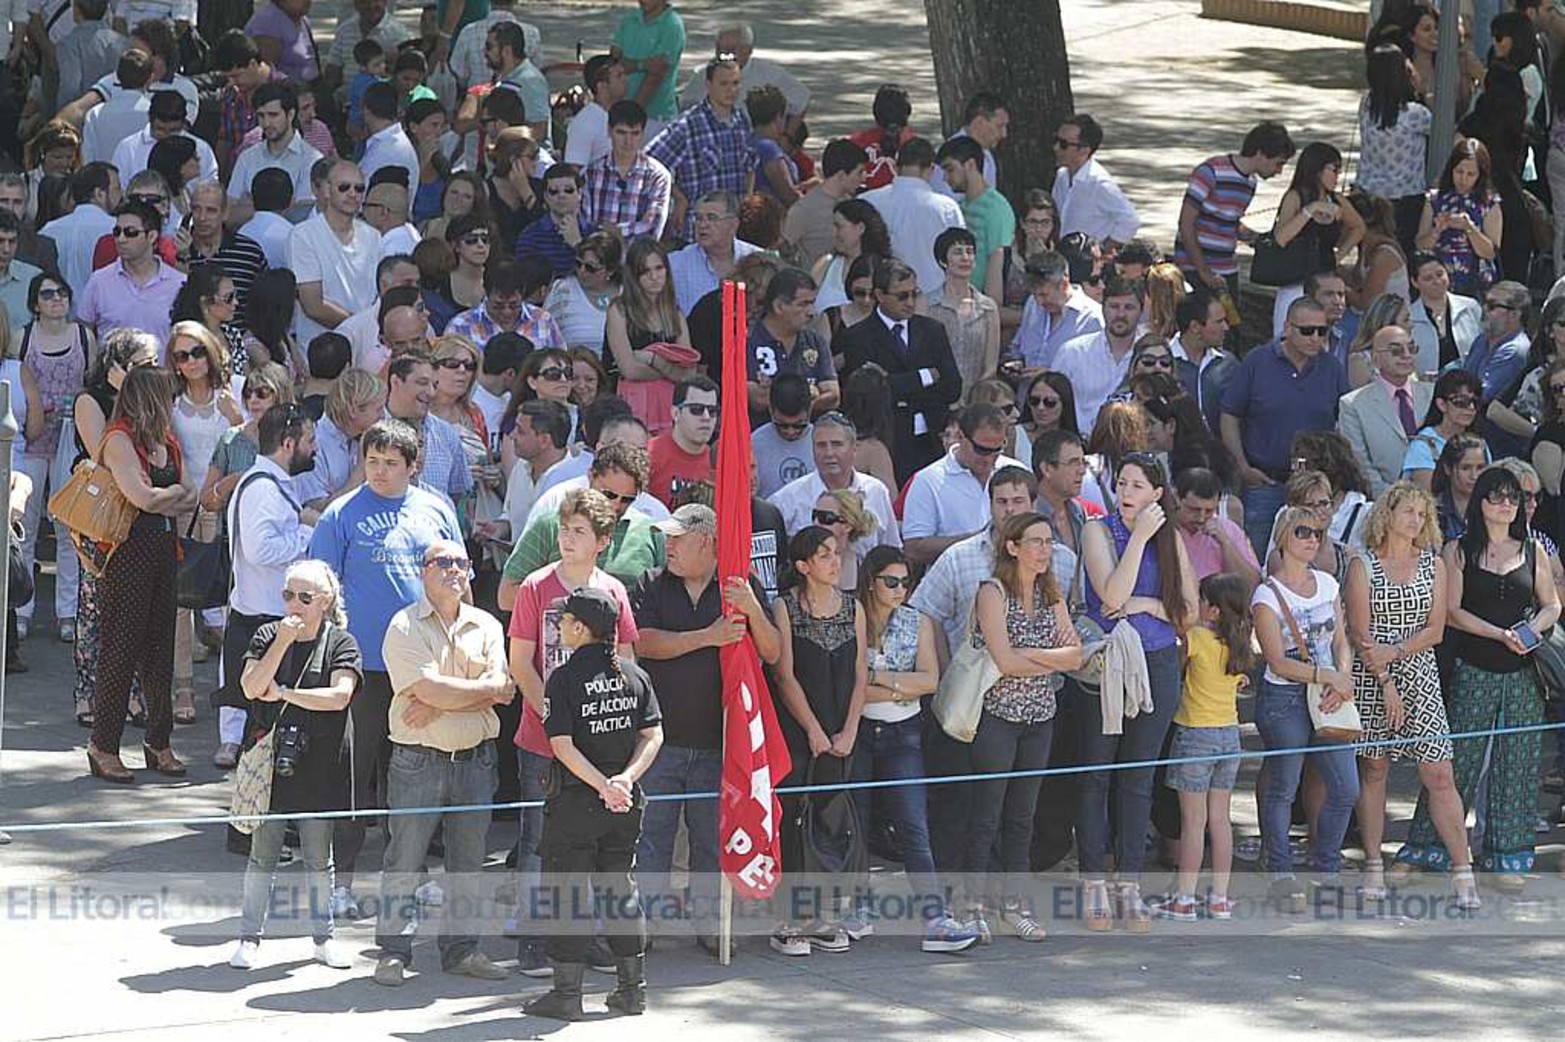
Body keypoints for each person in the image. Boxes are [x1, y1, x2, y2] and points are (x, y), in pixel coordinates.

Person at [308, 419, 464, 916]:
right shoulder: (339, 515)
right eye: (372, 461)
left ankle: (413, 880)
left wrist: (459, 651)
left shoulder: (435, 508)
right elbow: (320, 593)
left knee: (415, 777)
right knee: (352, 777)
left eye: (390, 463)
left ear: (412, 466)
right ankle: (341, 884)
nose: (378, 471)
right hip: (361, 665)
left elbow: (460, 584)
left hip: (421, 664)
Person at [1395, 466, 1560, 893]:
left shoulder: (1534, 549)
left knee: (1518, 766)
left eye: (1513, 498)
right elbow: (1451, 611)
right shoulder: (1459, 550)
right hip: (1474, 667)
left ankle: (1506, 856)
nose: (1506, 504)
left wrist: (1531, 631)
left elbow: (1552, 605)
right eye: (1496, 496)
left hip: (1523, 674)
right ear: (1481, 503)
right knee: (1456, 764)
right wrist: (1497, 634)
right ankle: (1424, 849)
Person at [630, 503, 780, 955]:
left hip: (720, 741)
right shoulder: (652, 582)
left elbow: (771, 653)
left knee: (711, 842)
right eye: (668, 537)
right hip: (659, 740)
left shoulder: (739, 587)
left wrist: (752, 608)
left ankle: (714, 923)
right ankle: (645, 926)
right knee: (651, 838)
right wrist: (706, 637)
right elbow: (643, 643)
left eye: (678, 538)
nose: (668, 545)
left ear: (708, 543)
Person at [506, 486, 643, 972]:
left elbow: (625, 661)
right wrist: (553, 712)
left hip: (599, 741)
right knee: (539, 839)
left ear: (601, 541)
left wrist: (605, 721)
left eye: (579, 532)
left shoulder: (613, 592)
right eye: (564, 530)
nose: (567, 538)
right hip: (543, 738)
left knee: (595, 840)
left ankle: (587, 939)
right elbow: (521, 661)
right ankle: (534, 939)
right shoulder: (535, 588)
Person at [371, 538, 513, 987]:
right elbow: (440, 690)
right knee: (405, 860)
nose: (453, 569)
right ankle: (394, 952)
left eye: (461, 563)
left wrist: (439, 700)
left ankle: (462, 949)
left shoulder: (487, 624)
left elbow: (505, 689)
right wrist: (474, 693)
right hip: (417, 761)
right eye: (442, 562)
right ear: (423, 570)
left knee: (469, 861)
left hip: (475, 762)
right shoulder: (403, 626)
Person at [524, 586, 663, 1019]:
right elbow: (653, 734)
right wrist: (624, 780)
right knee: (620, 891)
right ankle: (631, 990)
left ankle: (567, 995)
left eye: (564, 620)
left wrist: (604, 784)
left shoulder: (563, 678)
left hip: (576, 804)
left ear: (581, 628)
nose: (560, 626)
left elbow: (562, 746)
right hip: (624, 805)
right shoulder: (635, 675)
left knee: (567, 895)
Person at [1344, 484, 1479, 908]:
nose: (1416, 521)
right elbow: (1361, 635)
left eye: (1422, 514)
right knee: (1375, 771)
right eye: (1408, 512)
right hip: (1373, 677)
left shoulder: (1433, 564)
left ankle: (1463, 872)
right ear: (1388, 513)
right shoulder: (1361, 565)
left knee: (1439, 773)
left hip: (1419, 673)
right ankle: (1373, 866)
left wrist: (1400, 653)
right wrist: (1386, 682)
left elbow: (1436, 630)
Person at [1077, 453, 1196, 930]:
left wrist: (1146, 603)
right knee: (1096, 774)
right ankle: (1093, 883)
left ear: (1157, 495)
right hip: (1108, 661)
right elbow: (1110, 596)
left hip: (1159, 660)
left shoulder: (1173, 539)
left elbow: (1187, 613)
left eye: (1138, 485)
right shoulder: (1096, 530)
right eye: (1122, 483)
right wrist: (1139, 538)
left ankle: (1129, 882)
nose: (1127, 492)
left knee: (1138, 776)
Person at [228, 560, 362, 972]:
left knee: (319, 858)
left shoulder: (341, 642)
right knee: (262, 856)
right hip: (271, 761)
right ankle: (249, 937)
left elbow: (340, 696)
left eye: (305, 597)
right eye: (288, 595)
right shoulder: (269, 634)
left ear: (325, 601)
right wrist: (282, 644)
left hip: (320, 762)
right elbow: (250, 687)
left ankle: (324, 938)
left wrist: (284, 693)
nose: (294, 604)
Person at [960, 511, 1081, 942]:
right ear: (1013, 547)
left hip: (1040, 716)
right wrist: (1048, 658)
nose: (1045, 550)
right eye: (1037, 542)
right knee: (986, 814)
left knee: (1022, 816)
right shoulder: (993, 592)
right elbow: (1003, 660)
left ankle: (1014, 902)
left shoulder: (1052, 592)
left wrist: (1033, 655)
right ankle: (972, 905)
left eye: (1049, 542)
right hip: (998, 715)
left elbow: (1075, 654)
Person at [86, 364, 197, 784]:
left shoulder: (164, 440)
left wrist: (164, 498)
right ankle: (103, 744)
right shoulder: (119, 439)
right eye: (168, 395)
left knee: (160, 650)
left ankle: (158, 741)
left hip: (163, 551)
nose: (173, 402)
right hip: (127, 555)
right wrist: (168, 497)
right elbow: (143, 497)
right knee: (121, 649)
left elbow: (183, 495)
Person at [1250, 506, 1361, 910]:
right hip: (1285, 697)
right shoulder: (1267, 594)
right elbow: (1276, 661)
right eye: (1303, 532)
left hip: (1328, 691)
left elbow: (1341, 641)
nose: (1313, 539)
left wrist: (1341, 678)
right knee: (1283, 786)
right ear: (1283, 537)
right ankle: (1281, 873)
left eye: (1318, 532)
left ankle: (1326, 870)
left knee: (1347, 787)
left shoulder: (1329, 583)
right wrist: (1328, 676)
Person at [768, 526, 866, 956]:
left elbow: (861, 672)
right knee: (795, 817)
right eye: (823, 554)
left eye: (836, 552)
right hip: (799, 731)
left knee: (832, 819)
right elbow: (784, 675)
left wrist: (849, 730)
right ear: (804, 565)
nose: (834, 560)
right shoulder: (785, 606)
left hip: (842, 729)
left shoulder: (852, 607)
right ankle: (792, 916)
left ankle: (827, 913)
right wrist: (811, 729)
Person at [1152, 572, 1255, 921]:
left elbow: (1177, 670)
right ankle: (1220, 899)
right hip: (1229, 736)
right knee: (1220, 821)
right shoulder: (1239, 642)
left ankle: (1184, 898)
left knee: (1192, 823)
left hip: (1195, 734)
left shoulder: (1195, 638)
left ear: (1211, 610)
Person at [1221, 296, 1349, 556]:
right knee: (1258, 557)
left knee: (1313, 559)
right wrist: (1243, 467)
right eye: (1307, 331)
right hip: (1265, 481)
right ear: (1287, 328)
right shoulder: (1257, 362)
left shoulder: (1332, 368)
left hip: (1316, 487)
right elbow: (1229, 413)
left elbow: (1345, 422)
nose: (1315, 338)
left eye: (1322, 331)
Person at [167, 321, 242, 721]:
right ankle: (183, 688)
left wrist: (219, 494)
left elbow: (245, 454)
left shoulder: (229, 400)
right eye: (182, 355)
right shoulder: (171, 401)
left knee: (229, 599)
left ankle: (235, 691)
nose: (191, 361)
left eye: (197, 352)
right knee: (182, 602)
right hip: (182, 506)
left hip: (222, 507)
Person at [15, 271, 93, 645]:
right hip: (30, 440)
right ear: (35, 303)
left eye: (62, 293)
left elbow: (90, 381)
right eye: (48, 294)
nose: (56, 300)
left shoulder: (83, 336)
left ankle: (68, 612)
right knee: (23, 526)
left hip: (70, 440)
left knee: (67, 528)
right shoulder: (23, 337)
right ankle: (19, 611)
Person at [836, 259, 962, 484]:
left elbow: (952, 387)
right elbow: (870, 393)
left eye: (915, 293)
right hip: (889, 441)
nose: (911, 302)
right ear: (880, 295)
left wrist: (894, 384)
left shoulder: (932, 331)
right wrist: (924, 377)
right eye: (902, 296)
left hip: (933, 439)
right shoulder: (857, 337)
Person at [1174, 120, 1295, 299]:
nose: (1279, 171)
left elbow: (1228, 222)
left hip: (1226, 269)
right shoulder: (1210, 171)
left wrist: (1261, 240)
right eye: (1278, 164)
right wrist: (1203, 270)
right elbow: (1186, 222)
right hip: (1193, 268)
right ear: (1261, 154)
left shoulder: (1250, 183)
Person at [646, 57, 756, 240]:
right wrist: (679, 198)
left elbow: (751, 166)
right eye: (724, 84)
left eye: (736, 83)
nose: (731, 90)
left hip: (732, 234)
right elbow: (649, 163)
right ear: (708, 85)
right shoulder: (688, 125)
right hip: (697, 234)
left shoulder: (742, 121)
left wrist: (747, 202)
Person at [901, 402, 1023, 565]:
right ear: (960, 437)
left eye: (997, 449)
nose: (989, 458)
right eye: (981, 450)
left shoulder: (1017, 471)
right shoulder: (928, 481)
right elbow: (913, 549)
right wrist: (981, 540)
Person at [1267, 142, 1365, 335]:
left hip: (1324, 279)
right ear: (1317, 169)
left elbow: (1358, 227)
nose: (1338, 176)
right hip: (1296, 280)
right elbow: (1280, 238)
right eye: (1334, 169)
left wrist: (1339, 255)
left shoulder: (1337, 200)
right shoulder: (1295, 197)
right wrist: (1310, 210)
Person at [772, 411, 901, 548]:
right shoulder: (786, 500)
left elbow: (892, 549)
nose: (829, 453)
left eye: (837, 444)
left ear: (854, 448)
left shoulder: (876, 492)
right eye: (821, 445)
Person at [290, 159, 383, 348]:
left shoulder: (373, 236)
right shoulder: (303, 235)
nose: (352, 194)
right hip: (320, 350)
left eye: (359, 188)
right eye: (343, 187)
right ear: (326, 190)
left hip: (366, 348)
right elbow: (313, 306)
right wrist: (360, 329)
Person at [1337, 324, 1433, 496]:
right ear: (1376, 359)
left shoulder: (1433, 394)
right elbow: (1360, 464)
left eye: (1411, 349)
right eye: (1396, 350)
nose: (1406, 355)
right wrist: (1393, 499)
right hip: (1381, 503)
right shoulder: (1353, 404)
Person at [860, 137, 965, 294]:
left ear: (896, 166)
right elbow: (960, 255)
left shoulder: (867, 200)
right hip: (934, 296)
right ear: (930, 169)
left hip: (883, 295)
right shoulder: (946, 208)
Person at [76, 199, 184, 347]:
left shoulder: (178, 284)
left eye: (130, 233)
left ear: (152, 236)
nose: (121, 239)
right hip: (112, 369)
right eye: (117, 232)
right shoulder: (99, 281)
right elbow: (83, 332)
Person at [1358, 43, 1433, 253]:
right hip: (1405, 197)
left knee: (1372, 252)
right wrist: (1421, 90)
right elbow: (1442, 130)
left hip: (1368, 192)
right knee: (1401, 253)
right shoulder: (1415, 114)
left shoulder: (1366, 105)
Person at [1051, 276, 1144, 434]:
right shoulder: (1072, 353)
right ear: (1102, 308)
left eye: (1129, 307)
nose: (1121, 314)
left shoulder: (1151, 357)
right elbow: (1051, 402)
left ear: (1141, 311)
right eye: (1114, 306)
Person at [1415, 138, 1502, 296]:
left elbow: (1491, 252)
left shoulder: (1489, 204)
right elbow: (1421, 244)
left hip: (1475, 281)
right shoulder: (1435, 199)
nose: (1463, 179)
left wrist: (1469, 228)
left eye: (1470, 174)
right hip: (1439, 279)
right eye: (1459, 172)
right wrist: (1437, 231)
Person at [745, 266, 836, 417]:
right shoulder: (746, 341)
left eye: (812, 303)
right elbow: (757, 400)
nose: (811, 312)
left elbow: (833, 396)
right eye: (803, 304)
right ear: (779, 306)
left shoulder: (816, 342)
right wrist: (810, 393)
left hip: (809, 436)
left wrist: (780, 398)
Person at [581, 100, 673, 241]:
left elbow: (652, 226)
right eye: (621, 133)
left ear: (643, 134)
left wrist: (614, 230)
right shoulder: (591, 173)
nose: (628, 141)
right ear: (609, 131)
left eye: (635, 134)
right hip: (599, 257)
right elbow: (585, 223)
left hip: (637, 259)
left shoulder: (658, 176)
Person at [927, 227, 1000, 394]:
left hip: (976, 400)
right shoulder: (927, 304)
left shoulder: (988, 307)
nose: (965, 258)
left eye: (970, 252)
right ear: (942, 261)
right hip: (937, 398)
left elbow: (990, 366)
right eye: (958, 252)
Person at [1466, 279, 1535, 456]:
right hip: (1477, 436)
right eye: (1485, 302)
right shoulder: (1481, 340)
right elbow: (1461, 377)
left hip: (1502, 444)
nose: (1484, 309)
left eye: (1492, 305)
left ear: (1515, 315)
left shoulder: (1516, 350)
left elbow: (1482, 396)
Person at [1051, 112, 1140, 249]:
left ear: (1084, 149)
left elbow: (1130, 221)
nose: (1056, 148)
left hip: (1089, 265)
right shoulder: (1062, 176)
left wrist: (1105, 251)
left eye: (1063, 144)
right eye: (1055, 140)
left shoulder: (1099, 184)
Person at [1006, 250, 1104, 373]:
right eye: (1035, 295)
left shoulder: (1093, 318)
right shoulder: (1033, 305)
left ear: (1064, 284)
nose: (1039, 301)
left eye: (1044, 295)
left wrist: (1051, 374)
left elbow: (1097, 372)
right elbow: (1018, 348)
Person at [783, 138, 866, 271]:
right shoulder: (805, 209)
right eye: (859, 172)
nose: (864, 178)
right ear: (842, 175)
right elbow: (782, 247)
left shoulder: (851, 203)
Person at [988, 189, 1059, 344]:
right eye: (1033, 222)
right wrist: (1031, 317)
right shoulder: (1001, 257)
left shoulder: (1061, 260)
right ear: (1022, 223)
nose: (1039, 230)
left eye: (1045, 223)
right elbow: (992, 310)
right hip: (1008, 340)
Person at [808, 198, 889, 319]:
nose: (833, 233)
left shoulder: (886, 268)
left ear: (860, 228)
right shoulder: (825, 265)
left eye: (839, 226)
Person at [610, 0, 685, 129]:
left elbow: (656, 75)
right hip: (621, 112)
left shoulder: (672, 25)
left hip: (656, 117)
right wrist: (643, 65)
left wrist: (632, 114)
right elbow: (613, 61)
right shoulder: (629, 19)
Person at [1408, 249, 1483, 373]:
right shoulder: (1409, 317)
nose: (1437, 281)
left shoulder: (1470, 307)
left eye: (1440, 274)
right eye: (1428, 278)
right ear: (1415, 282)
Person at [515, 162, 593, 279]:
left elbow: (599, 280)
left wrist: (577, 245)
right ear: (546, 196)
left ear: (580, 194)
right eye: (554, 191)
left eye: (568, 190)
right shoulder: (530, 236)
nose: (561, 195)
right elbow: (524, 283)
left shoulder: (595, 234)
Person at [647, 375, 716, 507]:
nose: (706, 417)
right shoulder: (650, 454)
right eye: (696, 409)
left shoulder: (718, 460)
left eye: (712, 411)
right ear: (676, 413)